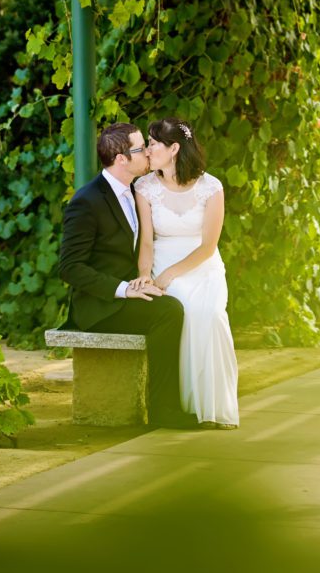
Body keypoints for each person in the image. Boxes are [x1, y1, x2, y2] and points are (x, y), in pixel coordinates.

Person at [59, 123, 197, 429]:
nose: (147, 152)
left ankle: (174, 402)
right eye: (139, 149)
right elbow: (69, 267)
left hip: (132, 289)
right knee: (168, 312)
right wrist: (123, 289)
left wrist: (145, 279)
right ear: (121, 159)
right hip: (100, 305)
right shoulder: (87, 201)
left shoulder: (138, 189)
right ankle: (164, 410)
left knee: (183, 300)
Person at [129, 117, 239, 429]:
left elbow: (208, 246)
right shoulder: (145, 187)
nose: (148, 151)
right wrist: (146, 274)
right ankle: (179, 406)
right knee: (180, 310)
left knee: (210, 314)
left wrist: (173, 273)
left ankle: (214, 407)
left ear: (174, 148)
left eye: (153, 144)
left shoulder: (211, 187)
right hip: (162, 260)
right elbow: (147, 240)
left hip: (202, 267)